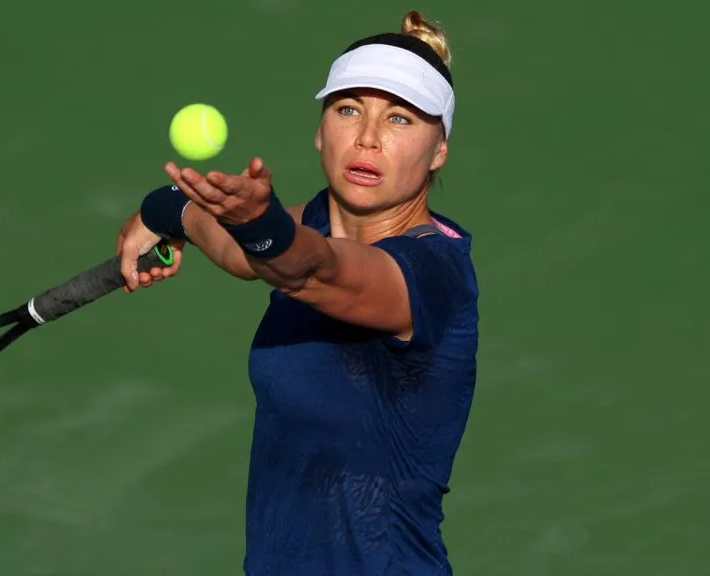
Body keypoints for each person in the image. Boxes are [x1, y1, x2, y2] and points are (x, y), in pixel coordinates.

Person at [116, 10, 478, 575]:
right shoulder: (311, 220)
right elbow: (241, 251)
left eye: (400, 119)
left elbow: (311, 270)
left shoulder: (431, 271)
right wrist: (166, 208)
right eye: (348, 109)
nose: (367, 137)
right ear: (320, 130)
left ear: (439, 151)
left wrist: (260, 227)